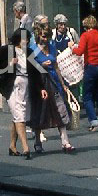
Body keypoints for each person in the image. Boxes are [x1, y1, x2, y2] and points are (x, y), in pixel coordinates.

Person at [28, 17, 75, 153]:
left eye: (47, 37)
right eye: (43, 36)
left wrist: (63, 84)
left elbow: (56, 66)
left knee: (60, 109)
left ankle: (65, 142)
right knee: (40, 112)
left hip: (53, 82)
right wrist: (40, 65)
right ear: (38, 35)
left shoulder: (52, 47)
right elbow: (29, 66)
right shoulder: (33, 49)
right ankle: (37, 142)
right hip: (40, 83)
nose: (45, 40)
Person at [72, 14, 98, 131]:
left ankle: (94, 122)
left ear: (86, 26)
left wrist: (72, 48)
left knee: (87, 96)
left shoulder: (86, 35)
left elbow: (80, 51)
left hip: (91, 67)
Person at [3, 28, 31, 159]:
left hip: (25, 85)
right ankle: (26, 147)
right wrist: (10, 64)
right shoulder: (9, 51)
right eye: (24, 38)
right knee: (20, 115)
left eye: (28, 38)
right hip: (12, 86)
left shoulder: (28, 53)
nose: (27, 41)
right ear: (18, 39)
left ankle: (12, 146)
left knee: (17, 115)